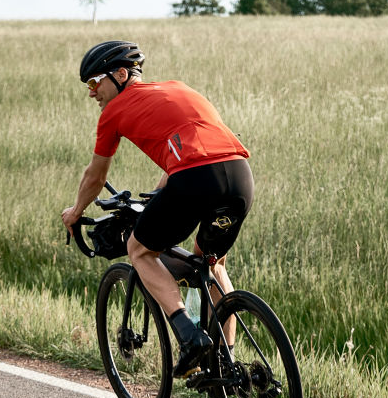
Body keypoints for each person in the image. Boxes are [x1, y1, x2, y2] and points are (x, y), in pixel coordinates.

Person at [61, 41, 254, 378]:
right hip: (238, 176)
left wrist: (76, 211)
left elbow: (96, 175)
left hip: (194, 179)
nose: (92, 93)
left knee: (139, 249)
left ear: (120, 74)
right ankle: (227, 364)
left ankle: (189, 335)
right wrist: (163, 189)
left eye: (95, 83)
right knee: (212, 262)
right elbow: (197, 144)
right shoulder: (177, 88)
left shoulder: (113, 114)